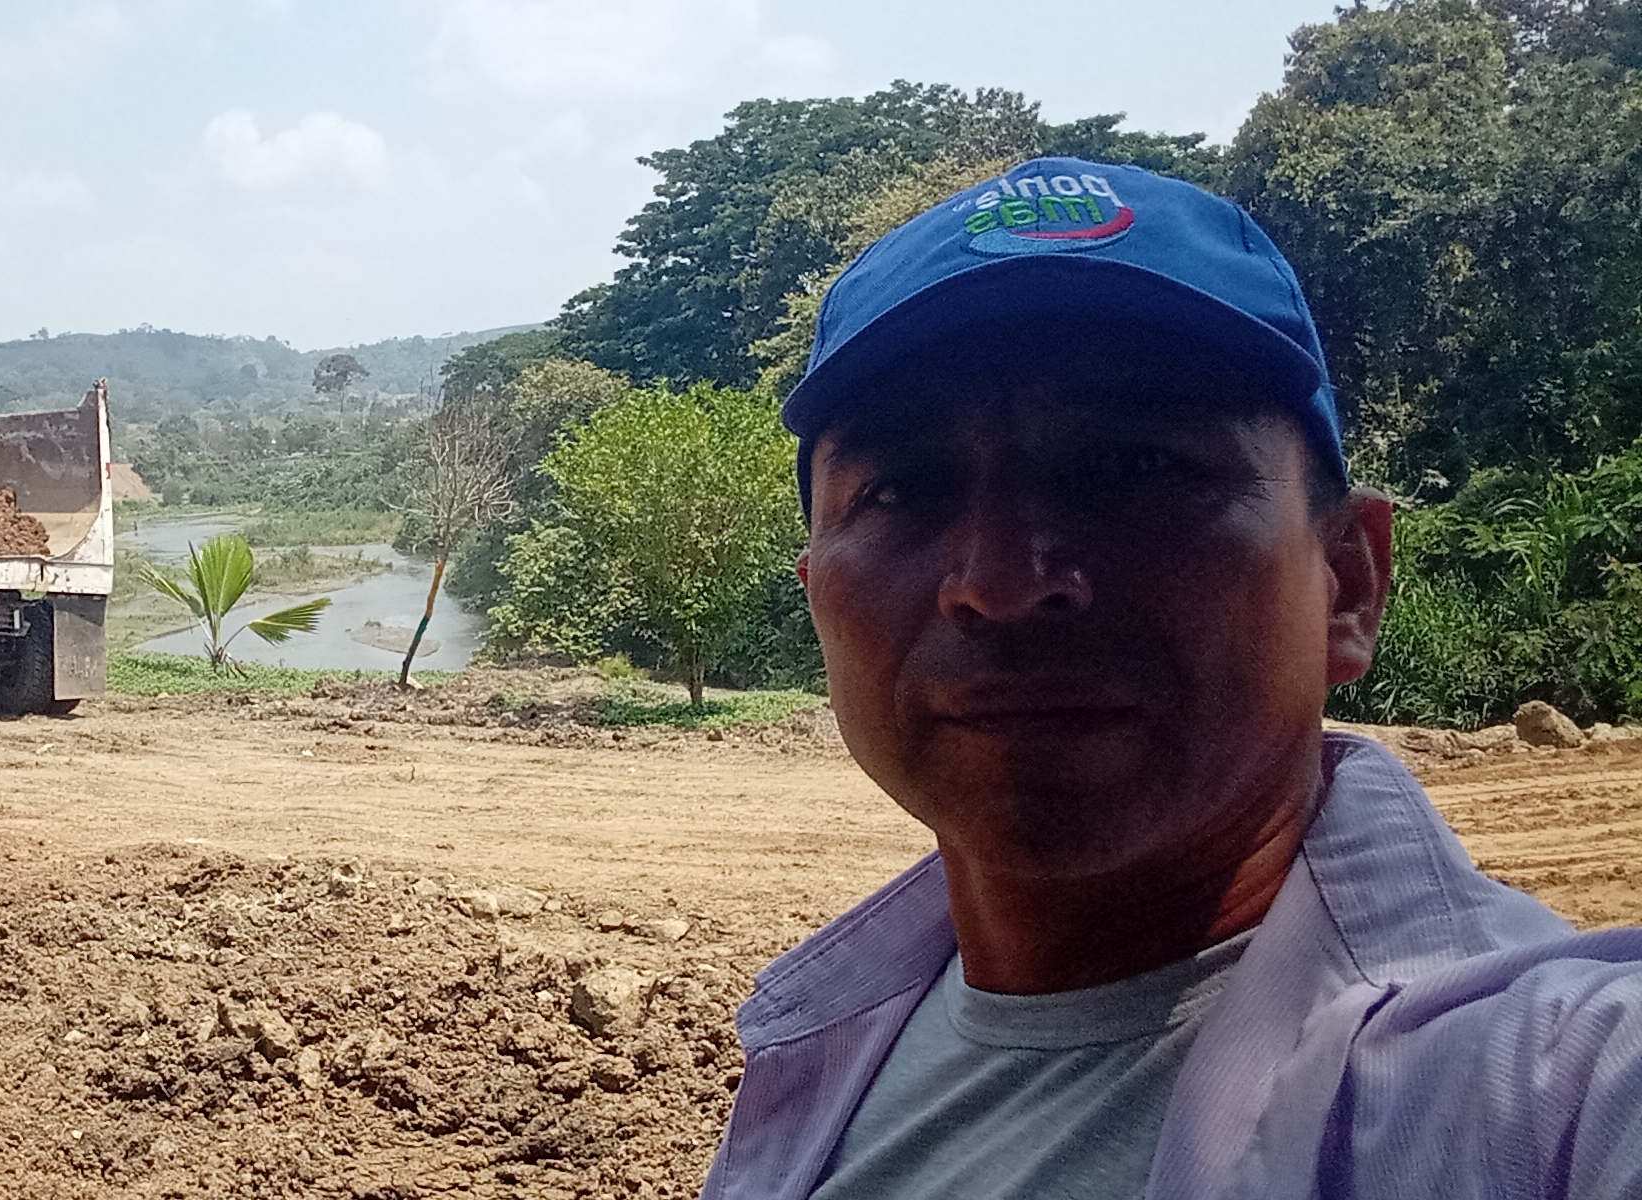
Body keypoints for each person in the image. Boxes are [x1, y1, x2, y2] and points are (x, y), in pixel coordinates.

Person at [704, 157, 1642, 1199]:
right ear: (816, 594)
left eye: (1130, 468)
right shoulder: (827, 1045)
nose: (1000, 584)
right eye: (899, 491)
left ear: (1347, 583)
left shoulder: (1554, 1088)